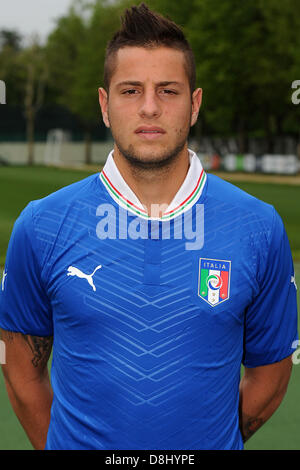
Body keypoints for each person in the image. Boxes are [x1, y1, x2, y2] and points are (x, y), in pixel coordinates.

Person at [0, 3, 298, 451]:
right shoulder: (41, 225)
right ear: (105, 105)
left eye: (169, 91)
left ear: (194, 105)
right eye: (131, 90)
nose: (150, 108)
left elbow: (271, 375)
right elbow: (21, 369)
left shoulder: (258, 226)